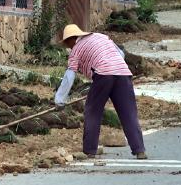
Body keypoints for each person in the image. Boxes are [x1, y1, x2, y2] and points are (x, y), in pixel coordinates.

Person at [55, 24, 147, 159]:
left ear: (71, 39)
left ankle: (89, 150)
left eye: (68, 44)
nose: (68, 47)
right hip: (123, 73)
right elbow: (120, 54)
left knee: (92, 111)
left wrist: (60, 99)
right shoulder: (101, 37)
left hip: (103, 75)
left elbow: (69, 76)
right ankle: (140, 150)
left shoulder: (76, 50)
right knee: (128, 113)